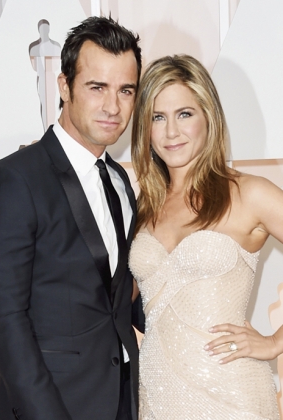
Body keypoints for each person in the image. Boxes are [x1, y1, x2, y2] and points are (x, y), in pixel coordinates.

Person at [0, 16, 142, 420]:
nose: (113, 107)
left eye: (125, 90)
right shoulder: (14, 178)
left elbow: (117, 296)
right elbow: (4, 318)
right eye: (97, 87)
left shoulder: (120, 180)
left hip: (122, 400)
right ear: (64, 86)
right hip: (50, 406)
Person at [129, 54, 283, 419]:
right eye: (157, 117)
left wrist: (275, 342)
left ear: (208, 116)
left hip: (234, 397)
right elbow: (113, 303)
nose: (171, 132)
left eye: (184, 114)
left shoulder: (249, 193)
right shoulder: (143, 206)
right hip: (158, 397)